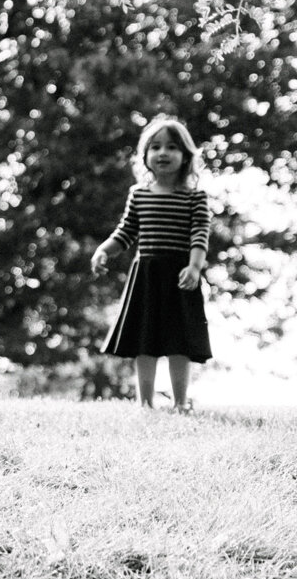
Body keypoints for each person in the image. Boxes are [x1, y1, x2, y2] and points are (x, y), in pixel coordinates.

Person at [90, 115, 213, 411]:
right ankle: (144, 403)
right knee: (145, 342)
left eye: (171, 147)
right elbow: (127, 230)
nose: (163, 153)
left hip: (180, 276)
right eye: (155, 147)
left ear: (185, 156)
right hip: (145, 276)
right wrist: (103, 251)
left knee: (178, 342)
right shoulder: (139, 194)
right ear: (145, 156)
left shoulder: (194, 197)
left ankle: (180, 402)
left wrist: (195, 267)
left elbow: (199, 233)